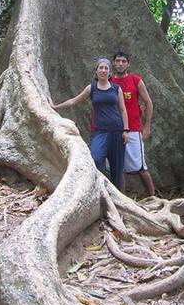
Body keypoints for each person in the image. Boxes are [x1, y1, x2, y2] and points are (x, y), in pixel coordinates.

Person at [50, 58, 129, 190]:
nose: (103, 70)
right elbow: (74, 101)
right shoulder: (91, 88)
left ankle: (119, 199)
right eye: (101, 68)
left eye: (106, 68)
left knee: (117, 168)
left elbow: (122, 110)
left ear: (109, 72)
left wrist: (126, 130)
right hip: (100, 132)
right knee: (96, 159)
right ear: (96, 70)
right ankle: (100, 189)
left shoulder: (116, 88)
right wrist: (54, 107)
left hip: (117, 131)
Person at [111, 51, 155, 196]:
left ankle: (152, 197)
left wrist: (147, 126)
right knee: (118, 167)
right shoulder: (110, 83)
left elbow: (148, 103)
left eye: (124, 61)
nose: (120, 64)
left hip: (134, 130)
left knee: (141, 167)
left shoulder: (135, 80)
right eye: (118, 61)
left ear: (128, 64)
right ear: (113, 63)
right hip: (115, 130)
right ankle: (123, 199)